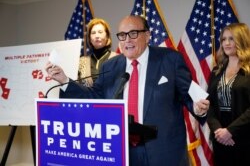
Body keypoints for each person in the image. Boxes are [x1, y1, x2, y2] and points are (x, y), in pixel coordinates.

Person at [45, 15, 209, 166]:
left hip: (163, 152)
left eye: (133, 34)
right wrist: (64, 80)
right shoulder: (110, 66)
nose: (127, 40)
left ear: (147, 35)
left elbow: (187, 94)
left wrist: (197, 108)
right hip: (123, 152)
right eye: (122, 35)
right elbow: (94, 97)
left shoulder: (170, 59)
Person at [207, 23, 250, 166]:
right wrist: (218, 130)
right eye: (223, 39)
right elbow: (209, 104)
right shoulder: (216, 71)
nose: (226, 43)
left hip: (244, 139)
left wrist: (231, 131)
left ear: (241, 40)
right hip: (220, 139)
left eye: (231, 39)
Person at [78, 18, 116, 87]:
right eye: (93, 33)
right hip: (86, 97)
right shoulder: (81, 61)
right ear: (89, 38)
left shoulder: (117, 59)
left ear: (107, 36)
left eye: (100, 32)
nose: (97, 36)